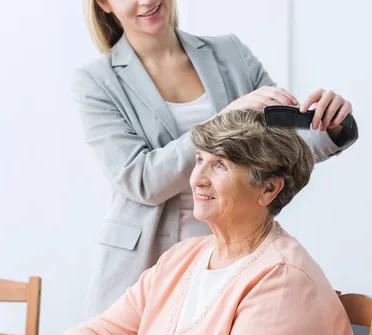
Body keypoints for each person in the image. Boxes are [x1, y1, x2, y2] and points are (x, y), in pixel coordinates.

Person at [15, 109, 355, 335]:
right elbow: (111, 333)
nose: (197, 179)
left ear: (268, 188)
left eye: (220, 165)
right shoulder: (184, 258)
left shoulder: (285, 281)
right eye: (199, 160)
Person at [76, 0, 359, 316]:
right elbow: (141, 180)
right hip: (146, 262)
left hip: (236, 253)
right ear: (103, 3)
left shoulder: (230, 53)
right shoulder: (96, 81)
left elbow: (283, 144)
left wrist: (330, 125)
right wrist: (223, 119)